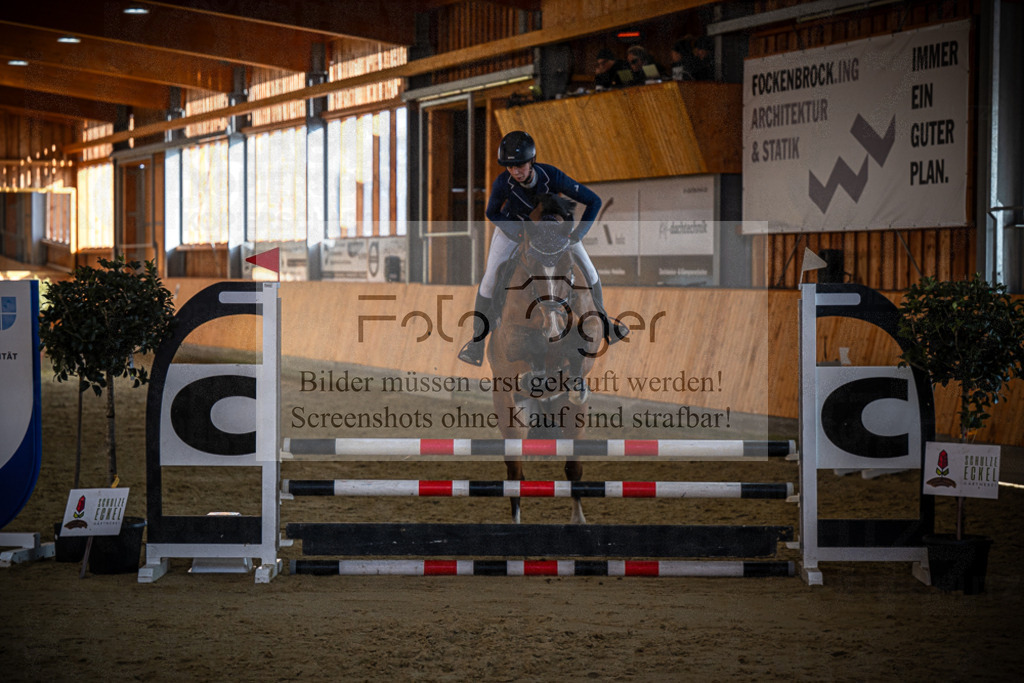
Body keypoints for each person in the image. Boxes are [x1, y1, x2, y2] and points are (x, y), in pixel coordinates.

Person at [457, 130, 628, 366]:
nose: (515, 171)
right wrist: (517, 232)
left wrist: (577, 235)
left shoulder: (552, 175)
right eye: (510, 167)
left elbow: (594, 201)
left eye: (520, 165)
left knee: (589, 271)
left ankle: (606, 322)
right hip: (514, 231)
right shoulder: (502, 183)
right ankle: (477, 342)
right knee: (488, 280)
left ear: (531, 161)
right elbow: (491, 212)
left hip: (555, 233)